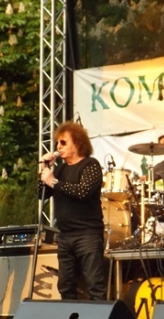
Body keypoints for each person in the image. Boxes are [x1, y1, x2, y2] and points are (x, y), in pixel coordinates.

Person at [40, 121, 106, 300]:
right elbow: (41, 194)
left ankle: (99, 317)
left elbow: (82, 192)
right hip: (65, 236)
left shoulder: (90, 165)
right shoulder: (60, 169)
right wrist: (45, 169)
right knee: (65, 285)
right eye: (57, 143)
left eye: (63, 142)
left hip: (87, 234)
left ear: (77, 143)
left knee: (94, 284)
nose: (58, 147)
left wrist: (54, 181)